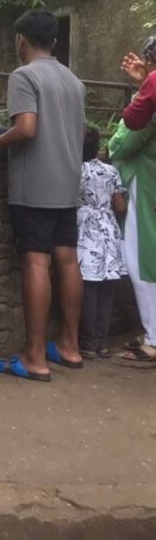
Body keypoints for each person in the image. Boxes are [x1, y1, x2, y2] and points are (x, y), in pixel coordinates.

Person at [0, 10, 86, 382]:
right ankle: (70, 346)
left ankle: (34, 356)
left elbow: (26, 128)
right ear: (55, 41)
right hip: (67, 184)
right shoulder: (74, 81)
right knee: (68, 261)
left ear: (21, 40)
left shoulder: (24, 75)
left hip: (35, 186)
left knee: (36, 263)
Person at [108, 41, 156, 366]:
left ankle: (153, 338)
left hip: (147, 185)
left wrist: (143, 90)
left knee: (143, 260)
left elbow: (121, 143)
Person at [76, 127, 127, 360]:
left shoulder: (75, 169)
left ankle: (87, 343)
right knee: (108, 289)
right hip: (108, 230)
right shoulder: (110, 170)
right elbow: (121, 206)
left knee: (88, 288)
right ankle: (101, 343)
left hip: (84, 230)